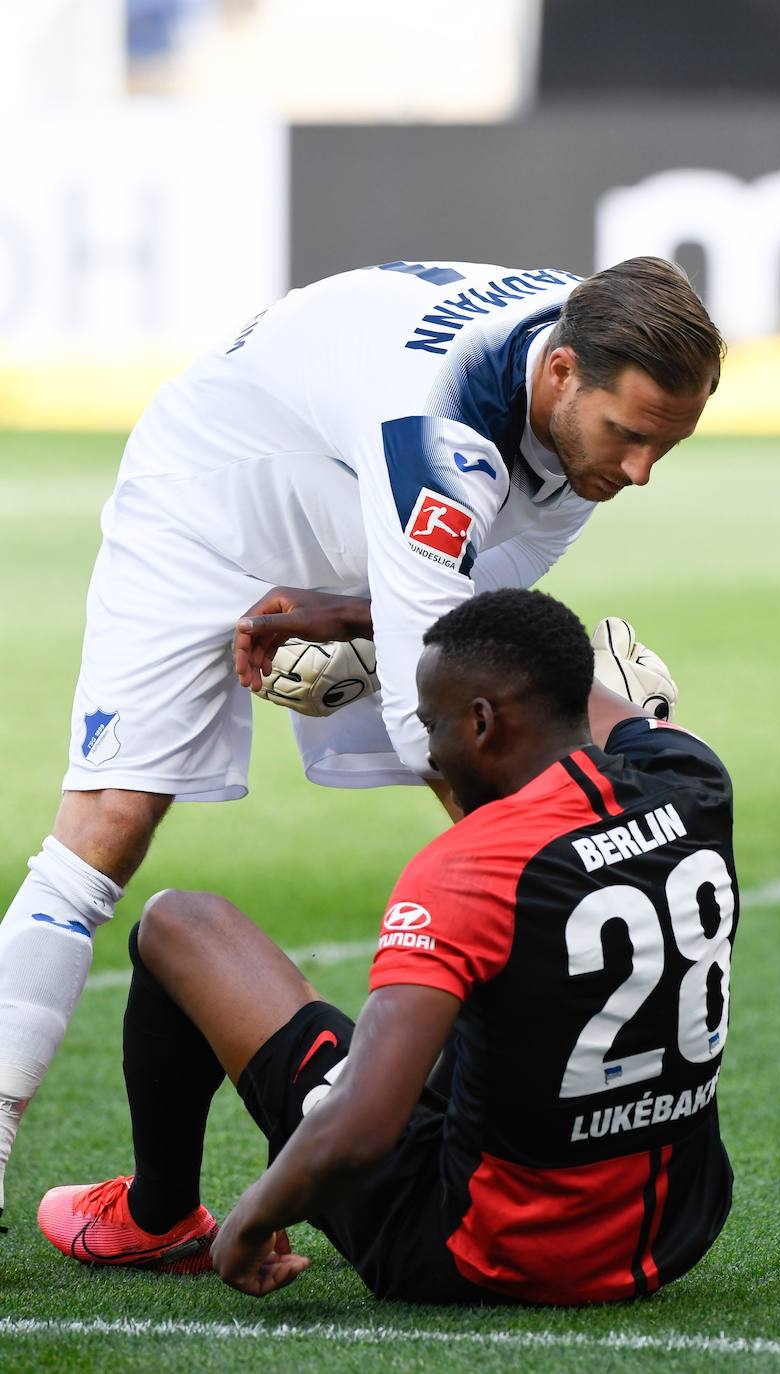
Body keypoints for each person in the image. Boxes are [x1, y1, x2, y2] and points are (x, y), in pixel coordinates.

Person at [0, 255, 724, 1226]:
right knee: (109, 825)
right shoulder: (444, 427)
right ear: (559, 376)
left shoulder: (601, 348)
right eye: (629, 437)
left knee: (511, 740)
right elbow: (434, 723)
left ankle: (527, 1086)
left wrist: (353, 612)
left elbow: (485, 634)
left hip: (366, 473)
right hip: (220, 490)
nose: (638, 473)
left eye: (664, 449)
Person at [38, 589, 740, 1305]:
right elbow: (581, 688)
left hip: (486, 1254)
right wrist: (377, 617)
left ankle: (159, 1218)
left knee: (178, 924)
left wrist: (255, 1217)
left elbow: (362, 1130)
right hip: (678, 1225)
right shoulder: (693, 779)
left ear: (482, 721)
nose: (427, 748)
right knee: (511, 1001)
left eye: (429, 723)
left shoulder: (469, 868)